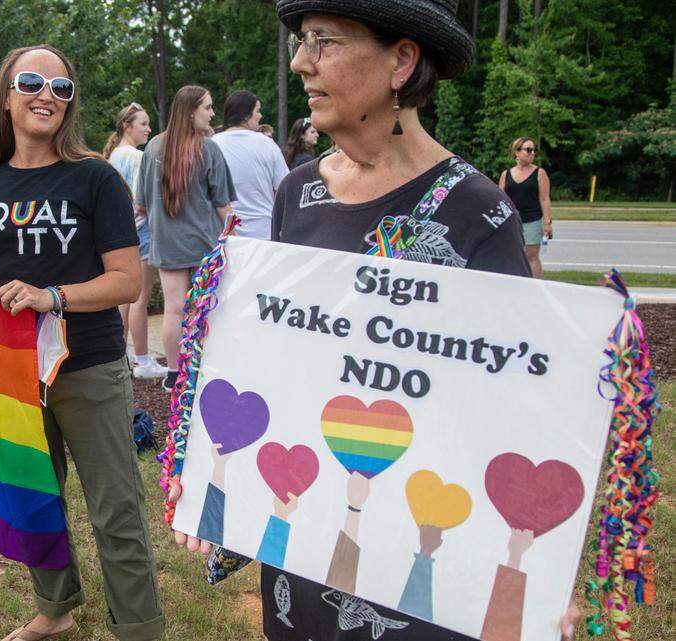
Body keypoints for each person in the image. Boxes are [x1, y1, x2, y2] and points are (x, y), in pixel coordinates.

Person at [169, 1, 581, 639]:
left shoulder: (479, 214)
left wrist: (542, 572)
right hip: (304, 526)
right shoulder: (297, 192)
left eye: (324, 41)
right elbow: (276, 363)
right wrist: (217, 482)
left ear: (402, 60)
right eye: (301, 43)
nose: (303, 63)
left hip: (417, 537)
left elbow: (518, 407)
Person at [0, 45, 164, 641]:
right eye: (31, 82)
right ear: (7, 96)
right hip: (12, 372)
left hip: (90, 367)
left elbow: (128, 282)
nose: (46, 94)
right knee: (34, 500)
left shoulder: (94, 178)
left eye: (61, 87)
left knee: (117, 511)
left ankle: (140, 630)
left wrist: (50, 296)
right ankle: (56, 610)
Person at [135, 85, 235, 392]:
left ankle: (174, 372)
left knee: (174, 308)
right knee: (209, 307)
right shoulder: (208, 148)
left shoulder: (153, 147)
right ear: (191, 110)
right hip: (205, 243)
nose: (212, 113)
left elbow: (140, 204)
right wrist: (236, 235)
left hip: (165, 242)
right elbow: (222, 204)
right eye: (207, 107)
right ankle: (208, 366)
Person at [103, 102, 166, 379]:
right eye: (144, 123)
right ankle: (142, 358)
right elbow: (145, 200)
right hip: (142, 231)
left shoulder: (114, 155)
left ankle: (120, 352)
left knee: (123, 301)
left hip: (122, 233)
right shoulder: (137, 157)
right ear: (127, 126)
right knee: (139, 298)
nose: (149, 129)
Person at [212, 90, 290, 240]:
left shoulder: (213, 143)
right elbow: (284, 188)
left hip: (225, 233)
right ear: (245, 114)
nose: (260, 116)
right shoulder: (267, 144)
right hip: (264, 232)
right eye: (257, 111)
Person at [499, 137, 553, 278]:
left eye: (534, 150)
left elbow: (545, 199)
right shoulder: (506, 174)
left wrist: (547, 223)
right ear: (517, 152)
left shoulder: (540, 173)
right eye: (528, 150)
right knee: (513, 254)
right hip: (512, 222)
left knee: (531, 255)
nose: (532, 153)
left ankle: (534, 285)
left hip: (532, 220)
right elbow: (500, 199)